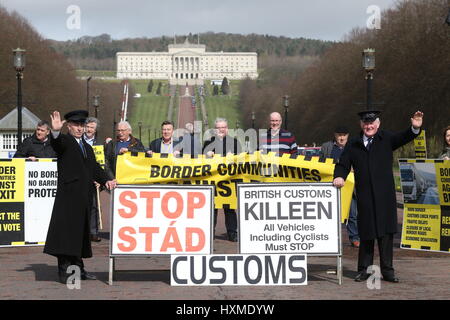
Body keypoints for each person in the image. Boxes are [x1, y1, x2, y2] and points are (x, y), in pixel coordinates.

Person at [333, 110, 423, 283]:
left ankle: (388, 271)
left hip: (385, 196)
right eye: (366, 123)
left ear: (378, 124)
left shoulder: (386, 138)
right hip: (365, 196)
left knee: (386, 234)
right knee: (366, 233)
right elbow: (343, 165)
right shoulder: (353, 144)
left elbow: (404, 137)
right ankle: (364, 270)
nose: (369, 126)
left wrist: (414, 128)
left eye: (372, 123)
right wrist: (339, 176)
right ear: (361, 125)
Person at [43, 110, 117, 284]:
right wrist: (54, 132)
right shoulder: (66, 141)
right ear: (69, 126)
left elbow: (95, 169)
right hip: (68, 197)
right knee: (66, 234)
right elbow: (56, 143)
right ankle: (64, 272)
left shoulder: (87, 147)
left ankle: (78, 269)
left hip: (83, 197)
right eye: (75, 125)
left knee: (79, 235)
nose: (79, 128)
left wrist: (107, 179)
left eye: (82, 125)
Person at [203, 118, 242, 242]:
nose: (221, 130)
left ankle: (232, 232)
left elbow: (241, 158)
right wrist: (206, 155)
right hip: (213, 181)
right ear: (215, 129)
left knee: (230, 208)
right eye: (219, 127)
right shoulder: (208, 142)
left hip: (229, 181)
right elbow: (201, 160)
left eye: (224, 127)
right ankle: (210, 232)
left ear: (227, 128)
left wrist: (234, 157)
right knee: (212, 208)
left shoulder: (235, 142)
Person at [321, 126, 360, 248]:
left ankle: (354, 237)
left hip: (350, 186)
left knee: (352, 213)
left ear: (348, 136)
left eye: (344, 135)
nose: (341, 138)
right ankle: (326, 238)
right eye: (339, 135)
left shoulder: (354, 146)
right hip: (331, 185)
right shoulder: (326, 147)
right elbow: (320, 164)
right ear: (335, 135)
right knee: (329, 214)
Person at [83, 117, 102, 242]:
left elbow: (102, 162)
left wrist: (100, 179)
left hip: (94, 179)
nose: (89, 130)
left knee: (94, 206)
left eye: (92, 128)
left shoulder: (100, 143)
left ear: (95, 130)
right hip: (81, 177)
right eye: (88, 127)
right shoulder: (78, 141)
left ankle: (93, 232)